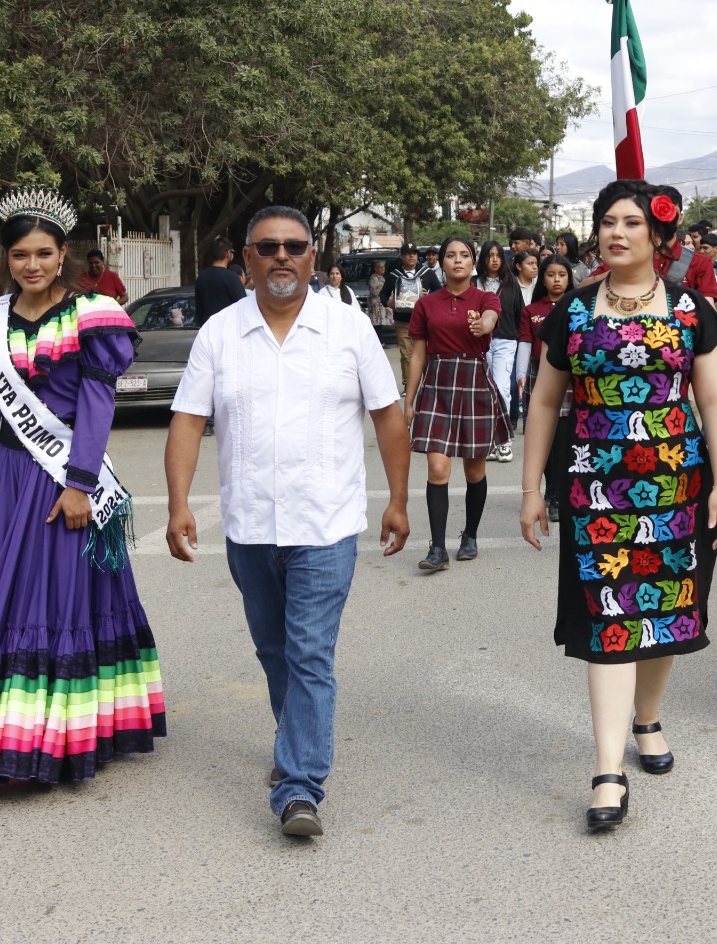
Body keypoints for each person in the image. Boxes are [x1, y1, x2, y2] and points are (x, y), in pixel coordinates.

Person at [164, 205, 410, 837]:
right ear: (246, 259)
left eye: (294, 246)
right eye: (267, 246)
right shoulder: (219, 333)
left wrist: (398, 499)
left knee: (308, 653)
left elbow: (387, 415)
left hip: (325, 526)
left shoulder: (348, 329)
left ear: (311, 256)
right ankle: (294, 739)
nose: (281, 256)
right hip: (249, 527)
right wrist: (178, 503)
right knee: (274, 649)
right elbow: (188, 420)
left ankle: (300, 786)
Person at [0, 188, 165, 791]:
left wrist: (80, 484)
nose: (32, 265)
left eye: (44, 253)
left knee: (66, 594)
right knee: (4, 595)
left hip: (66, 476)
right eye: (21, 254)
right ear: (7, 258)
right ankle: (5, 736)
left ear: (64, 256)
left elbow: (97, 402)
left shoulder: (91, 316)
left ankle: (70, 735)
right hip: (7, 476)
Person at [519, 178, 717, 832]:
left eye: (631, 223)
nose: (616, 233)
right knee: (612, 621)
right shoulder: (576, 311)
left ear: (658, 237)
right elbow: (545, 401)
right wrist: (531, 488)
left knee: (665, 612)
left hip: (678, 488)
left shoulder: (693, 310)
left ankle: (648, 719)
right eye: (608, 221)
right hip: (596, 490)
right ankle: (607, 772)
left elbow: (716, 401)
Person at [405, 235, 508, 571]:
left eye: (464, 255)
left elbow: (492, 318)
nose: (458, 260)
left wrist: (484, 325)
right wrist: (409, 400)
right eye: (451, 255)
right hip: (437, 383)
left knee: (474, 469)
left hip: (475, 382)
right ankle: (437, 548)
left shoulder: (486, 297)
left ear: (473, 262)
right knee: (437, 468)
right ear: (442, 262)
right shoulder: (426, 304)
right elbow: (418, 354)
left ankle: (470, 535)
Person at [586, 186, 717, 303]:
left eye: (671, 214)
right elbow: (584, 288)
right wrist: (620, 272)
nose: (665, 221)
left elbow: (707, 310)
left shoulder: (699, 262)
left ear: (680, 218)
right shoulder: (625, 256)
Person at [517, 253, 574, 522]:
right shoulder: (533, 310)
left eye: (562, 275)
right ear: (543, 278)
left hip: (572, 376)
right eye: (551, 275)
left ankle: (561, 494)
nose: (556, 280)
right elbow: (525, 344)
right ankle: (551, 492)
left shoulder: (577, 306)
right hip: (540, 373)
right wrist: (520, 375)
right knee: (546, 438)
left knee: (565, 437)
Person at [488, 249, 538, 458]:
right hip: (479, 343)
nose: (494, 260)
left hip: (508, 341)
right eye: (489, 256)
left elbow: (520, 316)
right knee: (484, 391)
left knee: (502, 388)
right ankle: (488, 440)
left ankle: (504, 440)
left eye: (498, 255)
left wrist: (520, 341)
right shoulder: (474, 283)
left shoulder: (513, 285)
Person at [380, 243, 442, 394]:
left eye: (414, 253)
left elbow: (440, 292)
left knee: (426, 355)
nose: (411, 256)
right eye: (408, 253)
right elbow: (383, 294)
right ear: (402, 257)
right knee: (407, 354)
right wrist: (389, 303)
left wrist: (430, 297)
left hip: (425, 323)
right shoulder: (394, 275)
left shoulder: (427, 273)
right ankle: (409, 385)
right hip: (403, 321)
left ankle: (428, 384)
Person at [195, 236, 247, 326]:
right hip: (228, 329)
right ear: (228, 254)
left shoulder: (201, 277)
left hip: (207, 329)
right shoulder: (232, 277)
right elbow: (243, 306)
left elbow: (199, 309)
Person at [366, 259, 391, 329]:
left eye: (383, 266)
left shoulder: (382, 277)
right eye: (379, 267)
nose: (382, 268)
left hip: (382, 305)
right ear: (375, 269)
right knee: (377, 327)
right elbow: (375, 292)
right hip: (376, 306)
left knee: (381, 327)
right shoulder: (373, 278)